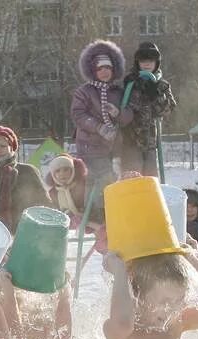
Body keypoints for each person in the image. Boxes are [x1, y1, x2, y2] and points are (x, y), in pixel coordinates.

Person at [71, 40, 133, 219]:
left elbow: (128, 116)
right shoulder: (84, 91)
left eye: (108, 68)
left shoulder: (118, 92)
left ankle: (108, 211)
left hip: (112, 146)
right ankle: (93, 213)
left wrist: (119, 113)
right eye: (100, 68)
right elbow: (78, 114)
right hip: (90, 145)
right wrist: (98, 127)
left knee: (109, 178)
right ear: (93, 71)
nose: (105, 72)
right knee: (93, 178)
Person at [121, 41, 177, 177]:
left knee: (151, 179)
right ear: (137, 62)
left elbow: (168, 109)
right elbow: (124, 107)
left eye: (150, 60)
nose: (146, 64)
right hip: (132, 140)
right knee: (133, 178)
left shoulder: (162, 85)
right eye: (143, 60)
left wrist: (156, 94)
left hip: (151, 141)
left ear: (156, 63)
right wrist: (136, 88)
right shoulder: (130, 82)